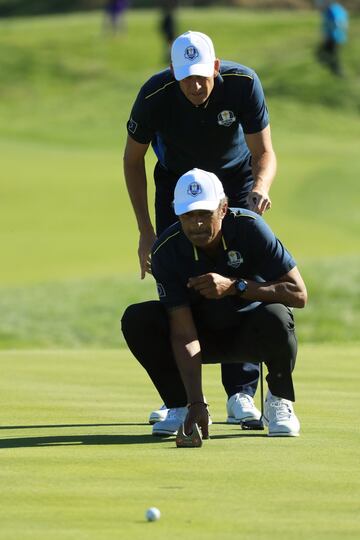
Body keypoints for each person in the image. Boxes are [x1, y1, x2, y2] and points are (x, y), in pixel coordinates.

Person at [123, 30, 277, 427]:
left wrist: (260, 189)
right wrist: (145, 230)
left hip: (236, 184)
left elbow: (265, 153)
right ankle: (181, 400)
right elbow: (132, 160)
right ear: (173, 72)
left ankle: (241, 394)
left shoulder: (243, 84)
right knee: (177, 278)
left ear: (214, 67)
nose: (194, 85)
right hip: (178, 187)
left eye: (201, 77)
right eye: (185, 77)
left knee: (241, 275)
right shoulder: (155, 95)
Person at [121, 168, 307, 437]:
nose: (196, 224)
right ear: (176, 212)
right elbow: (183, 332)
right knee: (138, 319)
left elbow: (298, 294)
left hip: (250, 334)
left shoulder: (250, 228)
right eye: (188, 215)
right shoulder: (166, 251)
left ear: (223, 208)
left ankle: (278, 400)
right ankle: (180, 406)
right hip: (201, 337)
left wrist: (235, 286)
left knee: (278, 315)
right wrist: (196, 402)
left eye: (204, 214)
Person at [315, 1, 349, 76]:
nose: (319, 6)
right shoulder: (335, 8)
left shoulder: (332, 9)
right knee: (324, 54)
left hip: (334, 37)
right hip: (335, 37)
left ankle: (339, 73)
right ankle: (333, 70)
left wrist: (330, 33)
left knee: (327, 55)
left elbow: (339, 22)